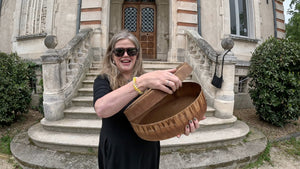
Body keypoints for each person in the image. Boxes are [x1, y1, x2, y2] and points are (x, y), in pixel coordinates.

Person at [93, 30, 201, 169]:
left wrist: (180, 125)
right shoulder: (103, 80)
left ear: (137, 55)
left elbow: (160, 114)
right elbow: (102, 109)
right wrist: (140, 83)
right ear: (112, 56)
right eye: (119, 51)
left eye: (131, 51)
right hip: (118, 151)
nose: (125, 55)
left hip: (147, 149)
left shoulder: (151, 81)